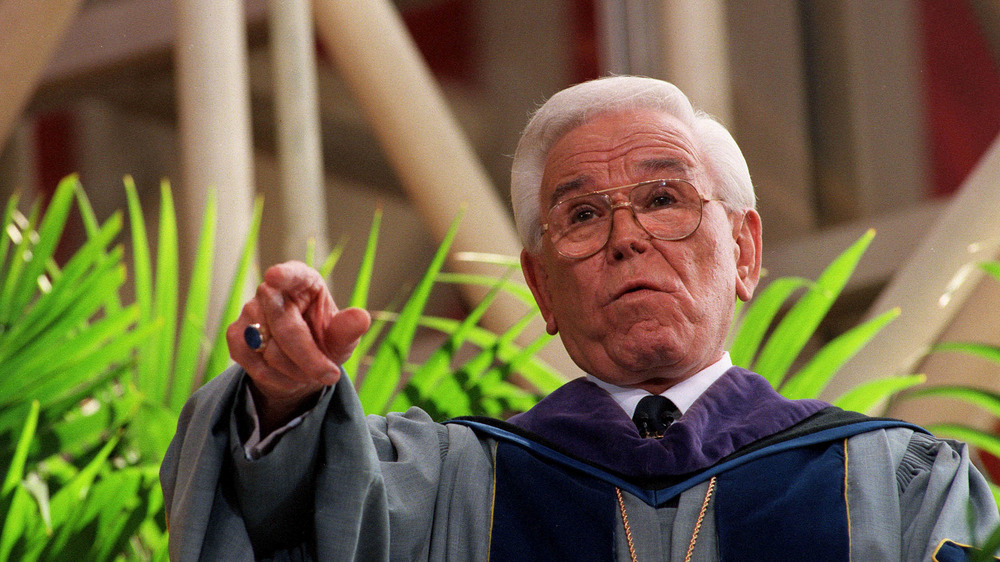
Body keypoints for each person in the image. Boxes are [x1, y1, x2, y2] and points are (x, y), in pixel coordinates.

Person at [161, 76, 999, 561]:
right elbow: (296, 513)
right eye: (584, 215)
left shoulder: (898, 489)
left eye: (663, 199)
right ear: (541, 288)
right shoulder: (453, 486)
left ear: (745, 252)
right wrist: (284, 402)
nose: (628, 237)